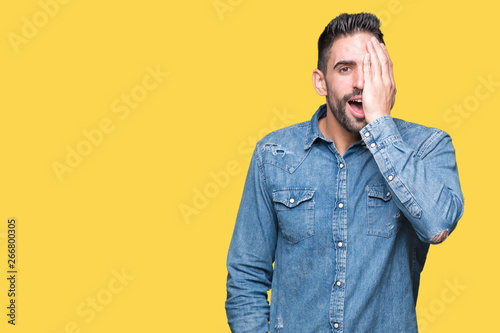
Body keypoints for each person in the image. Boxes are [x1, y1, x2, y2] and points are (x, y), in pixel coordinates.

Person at [225, 12, 464, 332]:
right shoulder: (274, 154)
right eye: (345, 68)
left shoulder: (426, 146)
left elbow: (438, 224)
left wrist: (381, 125)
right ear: (320, 81)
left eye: (370, 68)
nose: (361, 83)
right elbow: (245, 278)